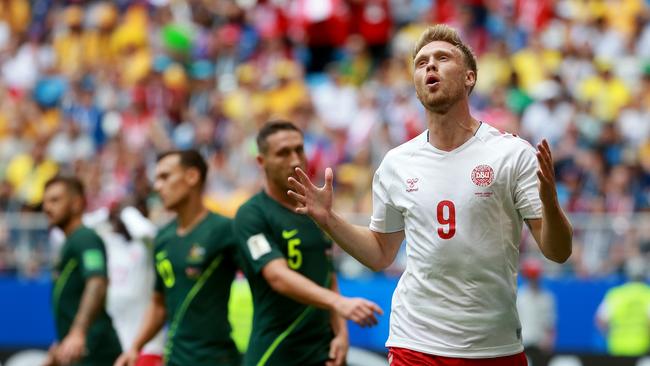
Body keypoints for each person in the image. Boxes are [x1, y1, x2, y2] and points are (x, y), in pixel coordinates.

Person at [288, 24, 573, 366]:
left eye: (442, 58)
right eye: (421, 63)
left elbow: (558, 252)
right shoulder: (397, 163)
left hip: (494, 346)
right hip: (416, 344)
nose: (430, 67)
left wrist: (551, 203)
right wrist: (328, 219)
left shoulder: (512, 154)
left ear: (470, 77)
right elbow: (381, 253)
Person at [234, 121, 383, 366]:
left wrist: (342, 334)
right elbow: (277, 276)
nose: (295, 159)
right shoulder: (252, 214)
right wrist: (339, 303)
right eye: (283, 152)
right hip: (277, 351)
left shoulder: (316, 212)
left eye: (299, 149)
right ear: (262, 162)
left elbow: (328, 275)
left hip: (325, 351)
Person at [114, 150, 240, 366]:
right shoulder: (163, 238)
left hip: (216, 359)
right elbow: (159, 303)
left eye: (165, 177)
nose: (157, 186)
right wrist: (135, 347)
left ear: (192, 177)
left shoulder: (224, 229)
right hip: (174, 359)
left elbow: (263, 285)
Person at [42, 176, 122, 366]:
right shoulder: (69, 243)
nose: (47, 207)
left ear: (77, 203)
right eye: (45, 201)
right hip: (81, 350)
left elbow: (97, 281)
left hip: (95, 351)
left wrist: (78, 332)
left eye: (55, 200)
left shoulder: (85, 238)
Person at [103, 204, 165, 366]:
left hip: (147, 349)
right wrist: (106, 212)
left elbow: (149, 233)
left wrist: (128, 212)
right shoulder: (111, 246)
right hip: (117, 349)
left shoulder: (146, 248)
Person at [596, 257, 650, 356]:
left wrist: (609, 335)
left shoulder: (615, 294)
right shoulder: (647, 294)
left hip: (617, 348)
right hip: (642, 347)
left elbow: (600, 320)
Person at [517, 258, 556, 366]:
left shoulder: (547, 298)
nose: (533, 279)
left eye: (535, 276)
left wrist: (549, 340)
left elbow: (550, 323)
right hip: (523, 344)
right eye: (531, 276)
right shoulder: (520, 297)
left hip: (540, 345)